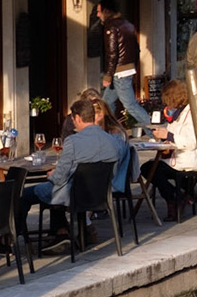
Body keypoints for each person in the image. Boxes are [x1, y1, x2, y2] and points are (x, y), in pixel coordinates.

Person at [24, 97, 134, 239]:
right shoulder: (113, 141)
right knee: (57, 190)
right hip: (102, 194)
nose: (73, 123)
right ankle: (62, 232)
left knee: (25, 195)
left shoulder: (73, 141)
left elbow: (60, 177)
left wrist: (52, 174)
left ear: (78, 118)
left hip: (76, 194)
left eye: (73, 119)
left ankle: (15, 240)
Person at [146, 80, 197, 220]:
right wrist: (163, 138)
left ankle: (174, 199)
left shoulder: (191, 113)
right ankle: (179, 196)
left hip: (187, 159)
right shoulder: (178, 112)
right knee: (148, 167)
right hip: (175, 157)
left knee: (152, 169)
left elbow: (191, 142)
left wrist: (168, 135)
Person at [96, 0, 152, 130]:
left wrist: (108, 76)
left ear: (106, 11)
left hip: (118, 72)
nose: (98, 15)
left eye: (99, 11)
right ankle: (111, 132)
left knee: (130, 105)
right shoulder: (127, 24)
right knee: (107, 103)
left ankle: (155, 133)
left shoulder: (111, 27)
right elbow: (136, 49)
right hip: (126, 70)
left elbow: (112, 53)